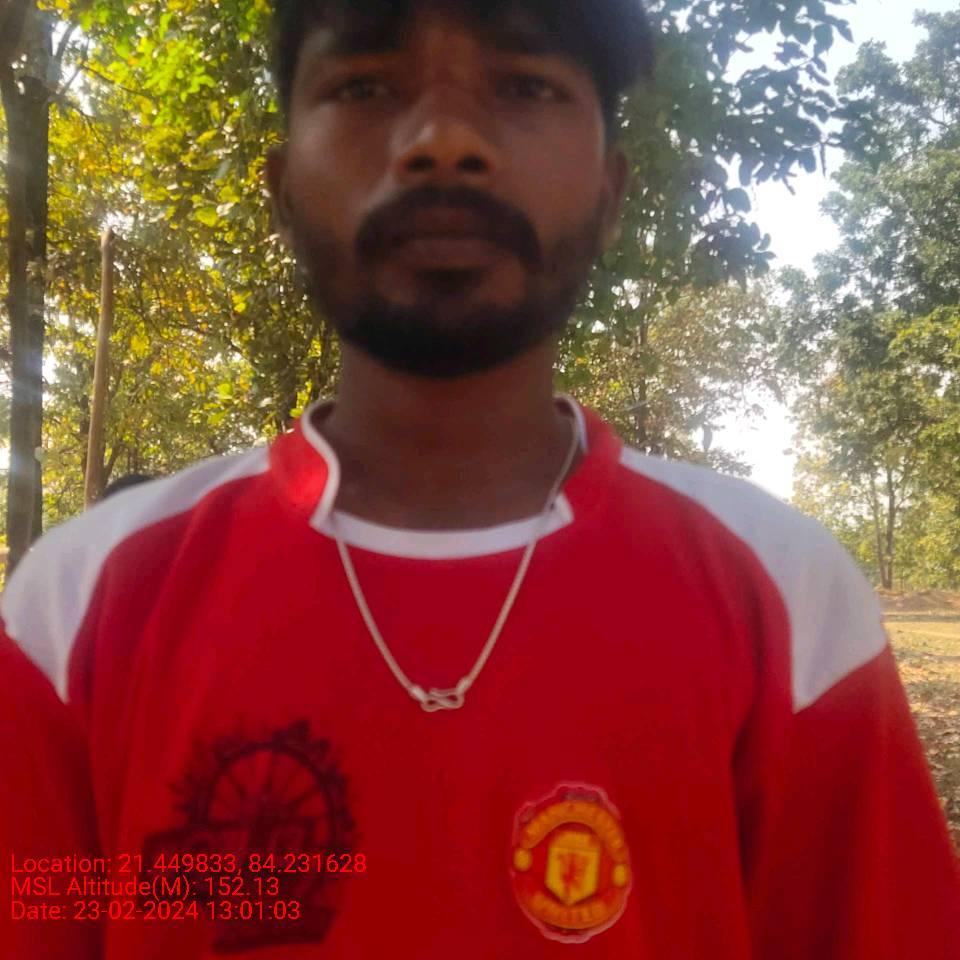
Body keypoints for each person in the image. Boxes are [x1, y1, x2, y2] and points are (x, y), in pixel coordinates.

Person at [2, 0, 957, 956]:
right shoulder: (75, 613)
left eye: (526, 86)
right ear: (282, 188)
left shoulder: (790, 606)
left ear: (611, 193)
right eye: (365, 87)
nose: (443, 141)